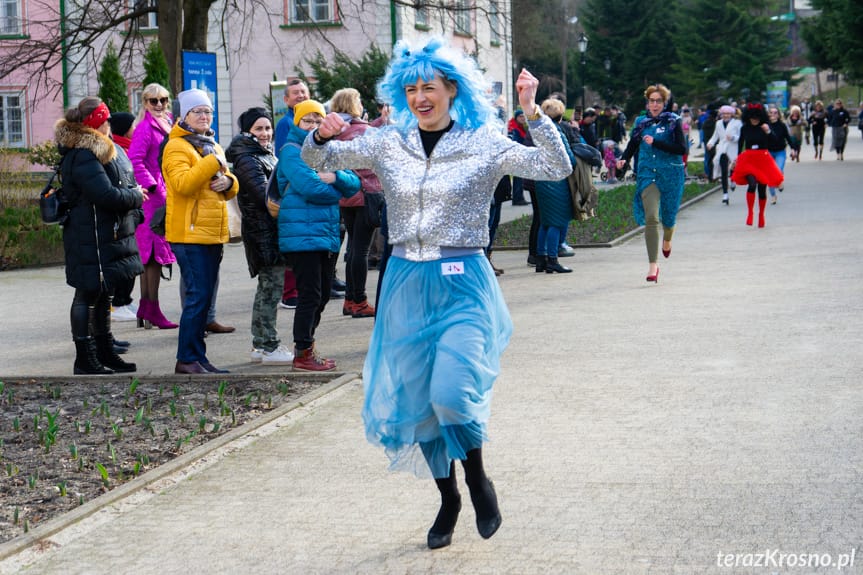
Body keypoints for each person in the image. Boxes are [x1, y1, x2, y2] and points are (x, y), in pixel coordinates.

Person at [304, 37, 571, 549]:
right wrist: (322, 133)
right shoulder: (388, 141)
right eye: (410, 88)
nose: (420, 97)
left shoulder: (484, 140)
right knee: (420, 405)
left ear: (453, 89)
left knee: (452, 395)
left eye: (429, 86)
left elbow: (554, 168)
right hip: (405, 282)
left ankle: (477, 480)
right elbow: (320, 157)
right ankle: (447, 495)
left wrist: (532, 113)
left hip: (463, 281)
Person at [55, 97, 144, 374]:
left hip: (101, 233)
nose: (109, 125)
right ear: (95, 124)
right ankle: (85, 358)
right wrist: (136, 196)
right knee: (87, 294)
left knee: (104, 292)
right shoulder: (84, 154)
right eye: (105, 121)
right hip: (88, 235)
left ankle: (104, 351)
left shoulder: (102, 150)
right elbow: (104, 194)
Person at [276, 99, 360, 371]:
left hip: (325, 233)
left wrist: (335, 177)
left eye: (317, 120)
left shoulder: (329, 149)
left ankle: (308, 346)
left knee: (323, 294)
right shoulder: (291, 150)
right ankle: (302, 353)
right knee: (310, 294)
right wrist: (336, 188)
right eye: (307, 120)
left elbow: (354, 183)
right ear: (297, 122)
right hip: (301, 234)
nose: (313, 125)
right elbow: (311, 188)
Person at [162, 88, 239, 374]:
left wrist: (229, 183)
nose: (205, 116)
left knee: (204, 298)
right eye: (198, 112)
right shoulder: (177, 147)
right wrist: (213, 164)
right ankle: (186, 359)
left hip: (211, 232)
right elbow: (182, 184)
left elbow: (229, 181)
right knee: (197, 296)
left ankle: (199, 358)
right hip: (189, 234)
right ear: (184, 116)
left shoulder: (210, 144)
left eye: (208, 111)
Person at [225, 107, 293, 365]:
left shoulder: (262, 153)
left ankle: (260, 344)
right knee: (270, 289)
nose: (265, 133)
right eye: (259, 129)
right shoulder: (247, 158)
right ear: (247, 131)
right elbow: (265, 195)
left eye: (267, 128)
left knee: (268, 289)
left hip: (268, 231)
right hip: (262, 233)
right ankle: (268, 345)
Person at [617, 84, 687, 283]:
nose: (654, 105)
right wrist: (624, 159)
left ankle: (668, 238)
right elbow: (632, 145)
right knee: (651, 217)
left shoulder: (674, 121)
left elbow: (681, 148)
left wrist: (655, 142)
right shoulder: (641, 122)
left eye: (658, 101)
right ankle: (653, 266)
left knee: (669, 219)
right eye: (651, 101)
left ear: (665, 103)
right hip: (648, 174)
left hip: (671, 174)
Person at [127, 83, 179, 330]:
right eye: (153, 101)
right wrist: (151, 187)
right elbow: (135, 160)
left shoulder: (167, 123)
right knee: (152, 256)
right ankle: (152, 309)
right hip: (153, 198)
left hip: (162, 193)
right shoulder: (145, 128)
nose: (159, 105)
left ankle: (146, 308)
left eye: (163, 100)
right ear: (145, 103)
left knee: (152, 257)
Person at [329, 88, 382, 318]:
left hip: (345, 196)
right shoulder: (363, 131)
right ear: (353, 104)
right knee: (361, 249)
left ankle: (350, 299)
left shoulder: (335, 131)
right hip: (366, 193)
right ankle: (359, 300)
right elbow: (373, 163)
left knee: (353, 248)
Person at [273, 79, 311, 310]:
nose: (300, 95)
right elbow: (285, 157)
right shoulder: (287, 123)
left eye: (304, 92)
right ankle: (289, 292)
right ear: (286, 100)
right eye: (295, 93)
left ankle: (297, 288)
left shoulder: (312, 120)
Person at [532, 98, 575, 274]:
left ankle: (540, 259)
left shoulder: (539, 131)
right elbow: (569, 158)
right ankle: (553, 260)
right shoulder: (557, 131)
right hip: (557, 181)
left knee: (545, 222)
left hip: (541, 181)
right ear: (559, 115)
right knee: (557, 223)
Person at [107, 111, 140, 324]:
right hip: (123, 212)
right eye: (132, 125)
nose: (135, 129)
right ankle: (117, 302)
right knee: (123, 260)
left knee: (131, 259)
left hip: (133, 209)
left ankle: (124, 300)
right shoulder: (117, 151)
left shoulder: (126, 147)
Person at [730, 102, 784, 228]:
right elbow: (740, 145)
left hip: (763, 159)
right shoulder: (744, 128)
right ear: (748, 117)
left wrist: (769, 131)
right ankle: (750, 213)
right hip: (748, 159)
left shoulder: (765, 126)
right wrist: (737, 159)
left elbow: (776, 141)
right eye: (752, 118)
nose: (754, 120)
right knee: (752, 184)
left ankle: (761, 214)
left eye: (757, 118)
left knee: (762, 190)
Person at [706, 105, 742, 205]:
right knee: (723, 171)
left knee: (733, 168)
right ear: (721, 114)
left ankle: (733, 180)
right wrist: (710, 143)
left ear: (731, 114)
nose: (726, 115)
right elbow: (715, 136)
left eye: (728, 114)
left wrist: (733, 137)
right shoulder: (718, 123)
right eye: (724, 114)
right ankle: (725, 194)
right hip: (722, 148)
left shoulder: (737, 123)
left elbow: (741, 136)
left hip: (733, 148)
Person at [766, 105, 793, 204]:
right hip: (768, 152)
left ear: (778, 114)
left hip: (780, 151)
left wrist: (793, 149)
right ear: (768, 114)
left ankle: (780, 181)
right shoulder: (765, 125)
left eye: (775, 112)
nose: (773, 114)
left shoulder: (782, 125)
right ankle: (773, 196)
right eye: (771, 113)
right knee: (769, 174)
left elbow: (787, 137)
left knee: (778, 169)